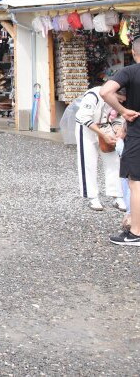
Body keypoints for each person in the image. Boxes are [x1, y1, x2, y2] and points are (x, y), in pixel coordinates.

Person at [101, 38, 140, 245]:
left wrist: (123, 111)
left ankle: (136, 233)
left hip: (138, 134)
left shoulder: (130, 72)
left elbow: (105, 91)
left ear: (134, 52)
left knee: (136, 182)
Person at [74, 84, 125, 211]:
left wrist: (118, 129)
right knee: (88, 161)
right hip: (86, 128)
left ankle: (117, 195)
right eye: (119, 99)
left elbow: (117, 117)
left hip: (106, 126)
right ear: (113, 93)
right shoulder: (93, 95)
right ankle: (92, 197)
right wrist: (103, 135)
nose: (121, 102)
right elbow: (84, 117)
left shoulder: (119, 100)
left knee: (114, 160)